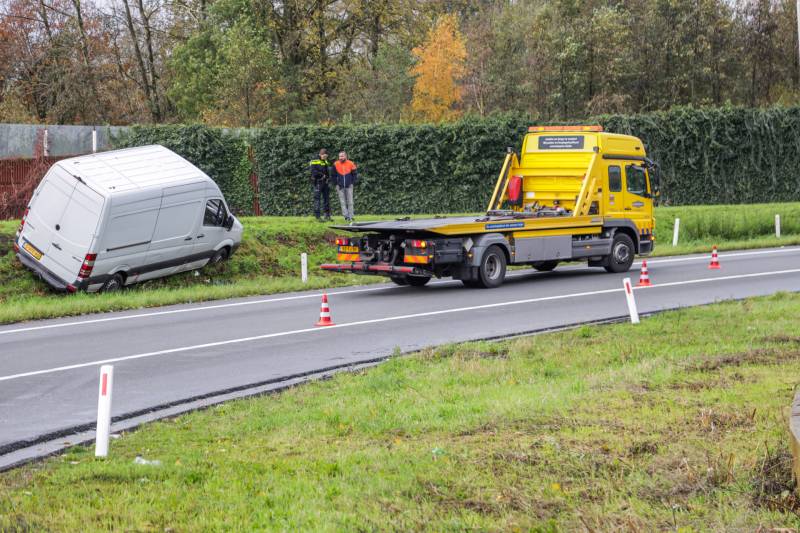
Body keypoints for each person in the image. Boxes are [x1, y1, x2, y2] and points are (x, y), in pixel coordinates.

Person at [333, 150, 358, 223]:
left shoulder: (351, 163)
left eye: (342, 156)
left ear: (345, 156)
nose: (340, 157)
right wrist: (336, 183)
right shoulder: (335, 164)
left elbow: (355, 174)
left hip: (349, 185)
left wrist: (352, 182)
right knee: (342, 202)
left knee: (350, 201)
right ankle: (346, 217)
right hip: (339, 186)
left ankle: (351, 216)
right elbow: (333, 175)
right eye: (339, 156)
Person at [309, 149, 332, 221]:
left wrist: (328, 177)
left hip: (325, 183)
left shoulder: (325, 161)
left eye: (326, 156)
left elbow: (327, 171)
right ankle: (318, 217)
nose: (325, 158)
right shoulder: (314, 161)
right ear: (320, 154)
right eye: (324, 156)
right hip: (318, 182)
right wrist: (322, 175)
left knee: (326, 199)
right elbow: (313, 172)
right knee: (317, 200)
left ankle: (327, 216)